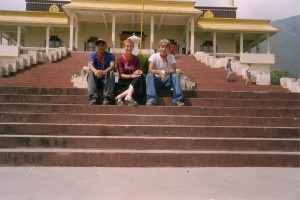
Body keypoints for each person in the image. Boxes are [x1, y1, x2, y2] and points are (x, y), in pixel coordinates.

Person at [146, 39, 184, 106]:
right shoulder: (154, 56)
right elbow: (150, 69)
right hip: (157, 82)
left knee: (175, 75)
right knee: (149, 75)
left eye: (166, 47)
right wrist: (159, 72)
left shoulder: (171, 57)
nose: (164, 49)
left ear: (168, 49)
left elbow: (173, 70)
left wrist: (166, 72)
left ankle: (178, 99)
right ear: (159, 48)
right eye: (162, 47)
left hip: (167, 82)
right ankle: (151, 99)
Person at [115, 38, 146, 106]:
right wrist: (131, 76)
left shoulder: (136, 59)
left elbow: (139, 71)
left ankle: (123, 96)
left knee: (140, 76)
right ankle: (126, 96)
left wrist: (138, 71)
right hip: (124, 81)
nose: (129, 48)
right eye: (127, 46)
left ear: (133, 47)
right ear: (124, 47)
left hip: (133, 81)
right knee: (138, 80)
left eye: (130, 46)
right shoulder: (120, 59)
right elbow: (121, 75)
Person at [87, 39, 115, 105]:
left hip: (106, 78)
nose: (100, 47)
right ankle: (94, 97)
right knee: (91, 73)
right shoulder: (93, 55)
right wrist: (95, 71)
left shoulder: (110, 55)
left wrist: (105, 71)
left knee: (111, 73)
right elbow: (90, 64)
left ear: (106, 47)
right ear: (96, 47)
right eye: (98, 45)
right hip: (96, 78)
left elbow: (112, 65)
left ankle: (106, 97)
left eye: (102, 45)